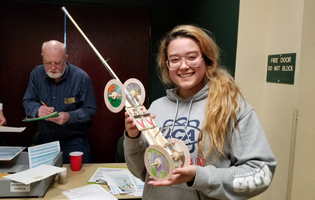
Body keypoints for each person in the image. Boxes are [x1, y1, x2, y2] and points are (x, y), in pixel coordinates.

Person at [124, 25, 277, 199]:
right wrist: (133, 137)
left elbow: (261, 172)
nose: (183, 66)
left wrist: (200, 176)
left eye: (191, 57)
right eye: (174, 60)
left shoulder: (232, 106)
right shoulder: (156, 108)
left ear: (207, 59)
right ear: (167, 65)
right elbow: (142, 172)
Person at [23, 40, 97, 163]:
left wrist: (69, 116)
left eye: (57, 63)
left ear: (66, 58)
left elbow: (91, 109)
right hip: (45, 140)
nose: (52, 68)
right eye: (47, 63)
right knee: (43, 178)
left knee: (78, 180)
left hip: (74, 141)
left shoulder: (81, 78)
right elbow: (28, 100)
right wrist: (38, 110)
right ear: (42, 57)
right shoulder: (37, 74)